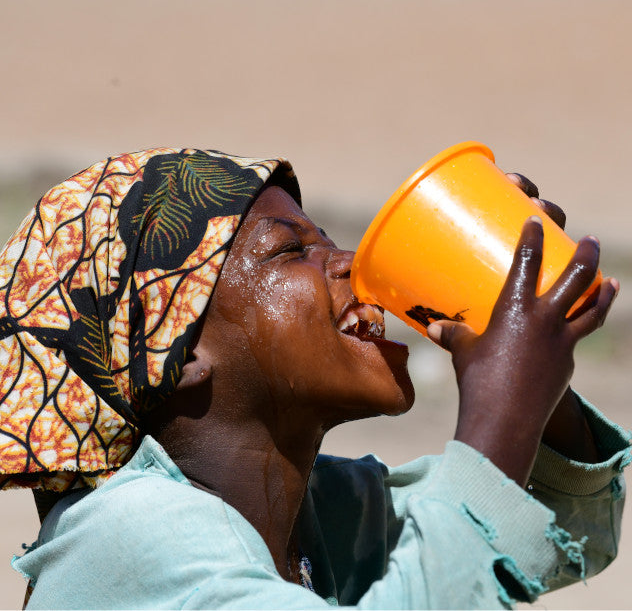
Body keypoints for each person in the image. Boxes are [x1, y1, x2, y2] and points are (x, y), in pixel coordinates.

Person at [1, 148, 629, 609]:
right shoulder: (130, 536)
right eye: (291, 251)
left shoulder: (319, 518)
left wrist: (519, 346)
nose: (353, 265)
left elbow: (559, 531)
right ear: (179, 350)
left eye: (326, 238)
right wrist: (500, 409)